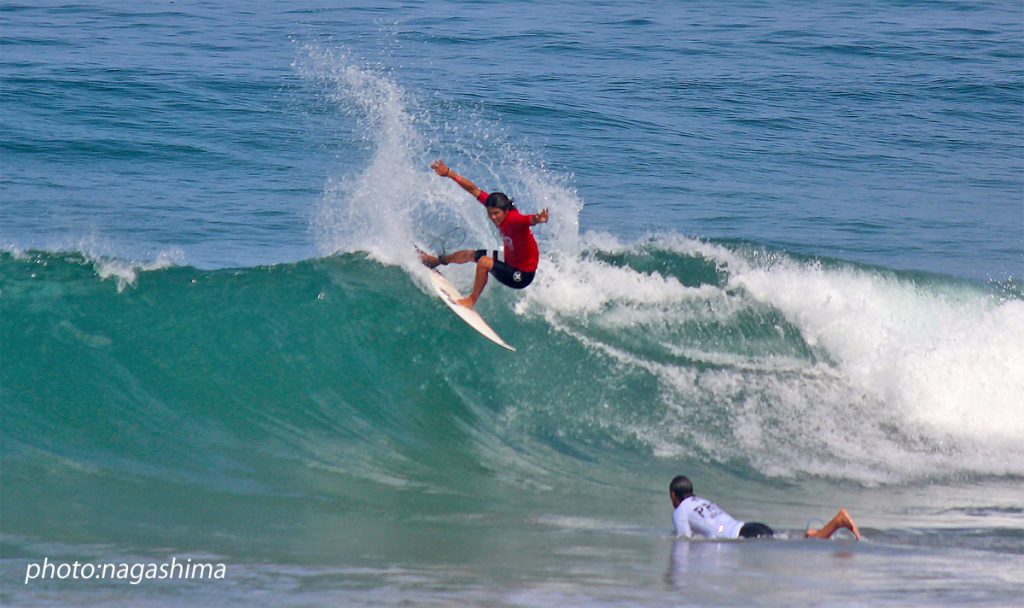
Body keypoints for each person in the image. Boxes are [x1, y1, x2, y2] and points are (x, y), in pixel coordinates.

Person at [419, 160, 549, 309]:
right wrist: (449, 173)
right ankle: (435, 261)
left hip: (521, 275)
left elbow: (530, 220)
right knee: (470, 254)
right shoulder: (495, 205)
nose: (493, 217)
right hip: (509, 259)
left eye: (496, 213)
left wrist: (539, 219)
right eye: (490, 213)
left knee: (484, 262)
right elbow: (473, 189)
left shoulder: (515, 220)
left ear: (506, 211)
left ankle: (471, 301)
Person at [669, 475, 861, 540]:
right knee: (796, 542)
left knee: (799, 547)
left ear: (673, 495)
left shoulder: (680, 511)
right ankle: (817, 532)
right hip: (751, 527)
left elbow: (684, 539)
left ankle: (838, 522)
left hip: (746, 537)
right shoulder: (701, 501)